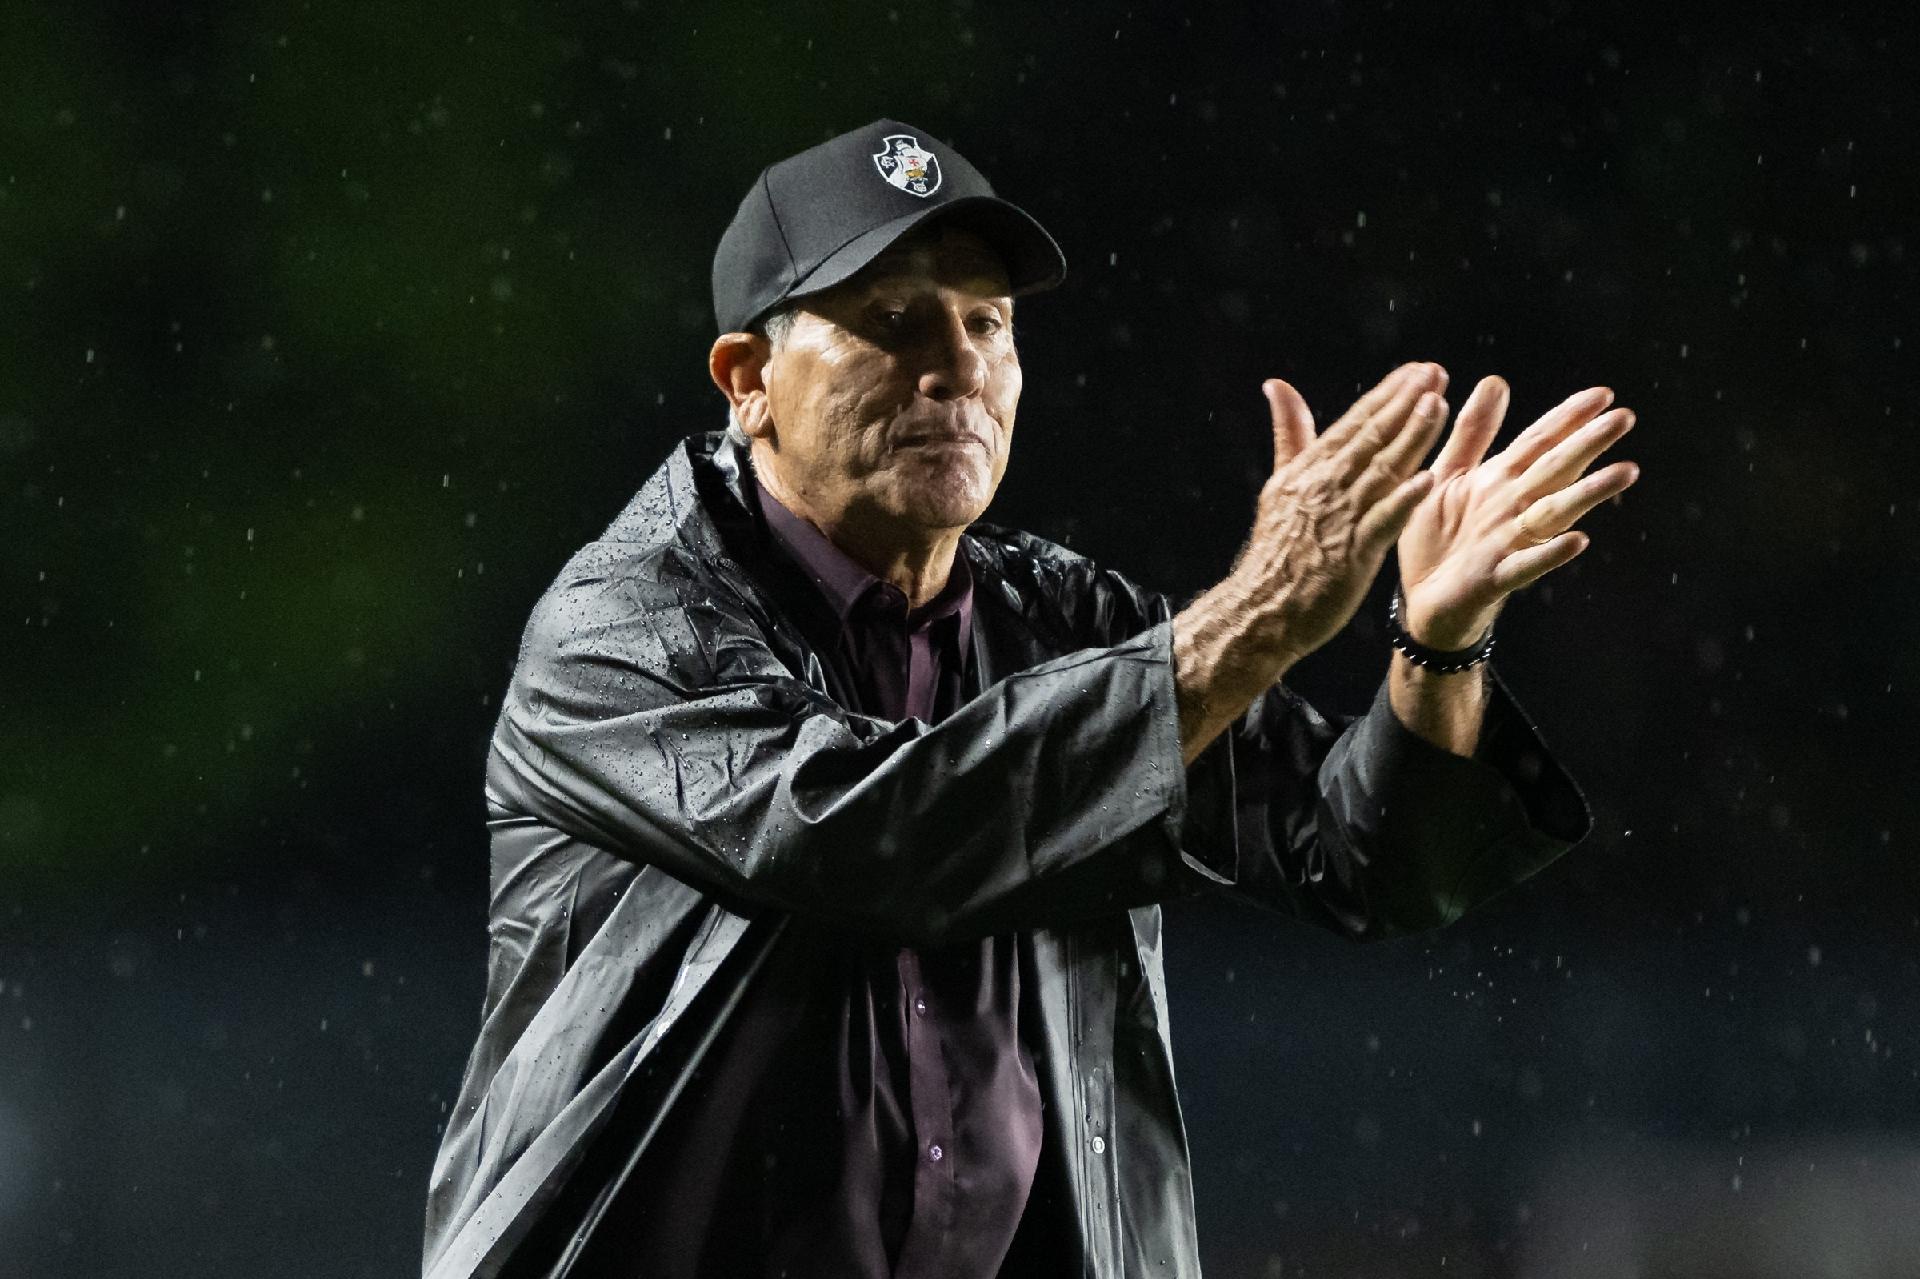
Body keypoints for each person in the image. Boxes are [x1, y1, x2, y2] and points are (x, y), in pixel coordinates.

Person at [420, 118, 1638, 1279]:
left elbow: (1366, 860)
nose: (957, 366)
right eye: (891, 320)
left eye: (987, 322)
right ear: (747, 377)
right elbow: (882, 837)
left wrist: (1436, 643)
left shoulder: (1057, 619)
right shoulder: (622, 631)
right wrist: (1258, 611)